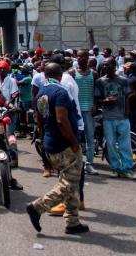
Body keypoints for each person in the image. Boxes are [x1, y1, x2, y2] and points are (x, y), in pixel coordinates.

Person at [26, 62, 88, 235]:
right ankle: (37, 207)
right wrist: (74, 141)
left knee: (70, 183)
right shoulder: (60, 92)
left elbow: (38, 120)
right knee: (69, 184)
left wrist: (43, 136)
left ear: (45, 75)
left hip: (50, 142)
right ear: (60, 74)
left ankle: (73, 222)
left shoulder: (40, 93)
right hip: (64, 145)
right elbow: (62, 120)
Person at [94, 58, 135, 179]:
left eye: (107, 64)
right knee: (111, 144)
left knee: (125, 144)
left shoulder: (123, 80)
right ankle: (115, 167)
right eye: (104, 65)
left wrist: (127, 112)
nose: (105, 67)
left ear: (114, 65)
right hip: (108, 117)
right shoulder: (100, 82)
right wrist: (104, 101)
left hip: (122, 117)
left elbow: (127, 97)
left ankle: (127, 168)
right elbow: (97, 99)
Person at [74, 51, 97, 175]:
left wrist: (95, 105)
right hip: (76, 111)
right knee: (75, 138)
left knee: (90, 138)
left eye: (83, 56)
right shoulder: (73, 73)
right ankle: (76, 163)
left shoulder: (93, 73)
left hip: (88, 110)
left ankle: (89, 164)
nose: (80, 58)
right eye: (78, 56)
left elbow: (96, 91)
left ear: (87, 58)